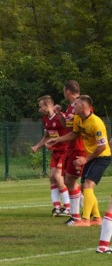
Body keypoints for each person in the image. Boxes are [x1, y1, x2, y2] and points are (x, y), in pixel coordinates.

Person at [46, 95, 110, 227]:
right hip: (90, 155)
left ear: (84, 106)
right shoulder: (78, 119)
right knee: (86, 187)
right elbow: (74, 134)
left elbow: (102, 146)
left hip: (102, 156)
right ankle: (97, 218)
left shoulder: (96, 123)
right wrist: (58, 139)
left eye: (76, 104)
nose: (73, 107)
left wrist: (85, 159)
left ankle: (85, 220)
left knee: (87, 185)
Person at [31, 95, 71, 217]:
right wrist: (37, 146)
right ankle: (57, 207)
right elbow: (48, 136)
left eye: (40, 106)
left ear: (48, 105)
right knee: (52, 177)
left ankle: (68, 208)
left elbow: (68, 129)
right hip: (56, 151)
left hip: (65, 150)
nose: (39, 109)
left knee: (58, 177)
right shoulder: (45, 119)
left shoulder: (61, 116)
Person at [60, 80, 87, 225]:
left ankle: (77, 216)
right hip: (70, 147)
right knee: (68, 180)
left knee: (72, 180)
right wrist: (60, 114)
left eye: (64, 90)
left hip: (79, 148)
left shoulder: (82, 104)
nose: (63, 93)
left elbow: (86, 121)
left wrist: (75, 117)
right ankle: (82, 211)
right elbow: (67, 126)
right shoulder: (70, 107)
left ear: (68, 91)